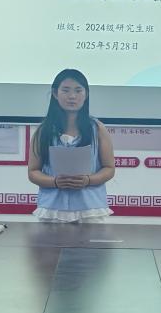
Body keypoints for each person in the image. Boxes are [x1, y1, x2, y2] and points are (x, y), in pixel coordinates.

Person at [27, 69, 115, 222]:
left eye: (78, 90)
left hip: (90, 208)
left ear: (86, 94)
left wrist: (88, 180)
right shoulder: (43, 131)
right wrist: (55, 182)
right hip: (52, 209)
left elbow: (109, 168)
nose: (72, 96)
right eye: (66, 90)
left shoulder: (97, 129)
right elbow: (33, 171)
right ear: (55, 94)